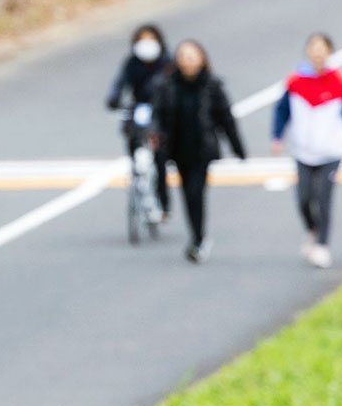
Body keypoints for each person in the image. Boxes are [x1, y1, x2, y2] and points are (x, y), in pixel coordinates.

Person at [271, 32, 342, 269]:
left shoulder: (339, 83)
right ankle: (312, 230)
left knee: (324, 199)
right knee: (304, 198)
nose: (317, 52)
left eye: (322, 48)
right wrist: (277, 136)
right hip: (303, 151)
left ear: (330, 52)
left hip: (331, 152)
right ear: (307, 51)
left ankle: (323, 245)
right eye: (313, 47)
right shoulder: (295, 81)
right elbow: (282, 110)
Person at [152, 39, 246, 263]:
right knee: (185, 192)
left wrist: (238, 148)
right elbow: (158, 115)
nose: (188, 61)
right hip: (177, 149)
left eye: (192, 56)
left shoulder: (212, 86)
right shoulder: (168, 85)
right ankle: (170, 211)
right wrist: (155, 133)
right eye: (183, 56)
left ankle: (198, 238)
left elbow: (226, 119)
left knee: (195, 192)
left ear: (202, 59)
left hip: (202, 150)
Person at [105, 22, 174, 221]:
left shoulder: (167, 63)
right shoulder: (131, 63)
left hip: (159, 112)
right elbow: (119, 84)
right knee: (134, 147)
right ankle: (138, 181)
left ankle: (163, 202)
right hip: (138, 109)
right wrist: (114, 99)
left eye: (151, 40)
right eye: (142, 40)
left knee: (160, 158)